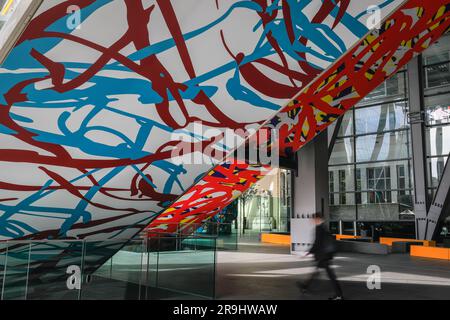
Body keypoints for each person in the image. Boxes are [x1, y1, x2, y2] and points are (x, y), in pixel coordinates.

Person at [297, 215, 344, 300]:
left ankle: (339, 295)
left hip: (323, 256)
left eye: (314, 219)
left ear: (317, 219)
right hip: (325, 255)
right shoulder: (324, 227)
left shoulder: (319, 228)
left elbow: (317, 243)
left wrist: (307, 252)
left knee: (331, 275)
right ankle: (305, 286)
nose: (313, 221)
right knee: (317, 272)